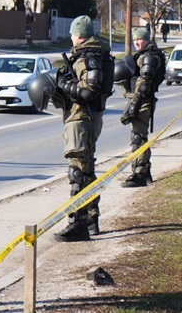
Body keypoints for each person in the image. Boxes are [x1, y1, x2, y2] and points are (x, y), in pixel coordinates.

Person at [52, 15, 114, 242]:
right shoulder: (94, 54)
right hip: (86, 118)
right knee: (86, 170)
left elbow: (88, 91)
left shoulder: (89, 57)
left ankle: (77, 224)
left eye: (72, 34)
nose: (70, 37)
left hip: (82, 118)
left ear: (79, 35)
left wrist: (63, 85)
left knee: (78, 172)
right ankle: (90, 219)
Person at [118, 27, 166, 188]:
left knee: (138, 138)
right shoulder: (145, 55)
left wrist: (135, 103)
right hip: (139, 100)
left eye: (140, 39)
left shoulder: (149, 57)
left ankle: (140, 173)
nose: (137, 43)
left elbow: (145, 82)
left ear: (147, 40)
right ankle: (144, 172)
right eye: (135, 40)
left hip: (143, 101)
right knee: (138, 136)